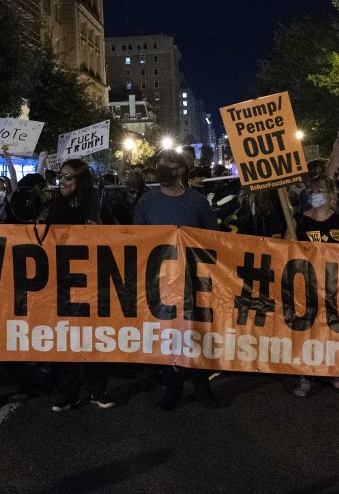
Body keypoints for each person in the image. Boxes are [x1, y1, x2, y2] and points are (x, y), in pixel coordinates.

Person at [134, 149, 220, 410]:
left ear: (180, 170)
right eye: (158, 162)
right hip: (159, 281)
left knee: (195, 333)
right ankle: (172, 386)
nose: (160, 167)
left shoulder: (197, 202)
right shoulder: (146, 201)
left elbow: (212, 239)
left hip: (193, 280)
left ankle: (201, 385)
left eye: (166, 163)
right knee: (166, 334)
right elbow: (135, 238)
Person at [46, 158, 117, 412]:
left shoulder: (98, 205)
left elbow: (122, 237)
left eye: (69, 177)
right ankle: (68, 392)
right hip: (64, 282)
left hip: (94, 281)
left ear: (81, 180)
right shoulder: (55, 205)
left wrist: (102, 230)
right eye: (60, 176)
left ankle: (97, 389)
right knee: (67, 337)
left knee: (93, 336)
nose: (62, 182)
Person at [290, 176, 339, 397]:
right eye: (311, 190)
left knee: (334, 331)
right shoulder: (299, 221)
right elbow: (283, 251)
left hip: (334, 288)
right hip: (307, 287)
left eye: (319, 190)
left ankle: (336, 374)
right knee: (308, 332)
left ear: (331, 194)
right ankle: (305, 376)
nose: (314, 193)